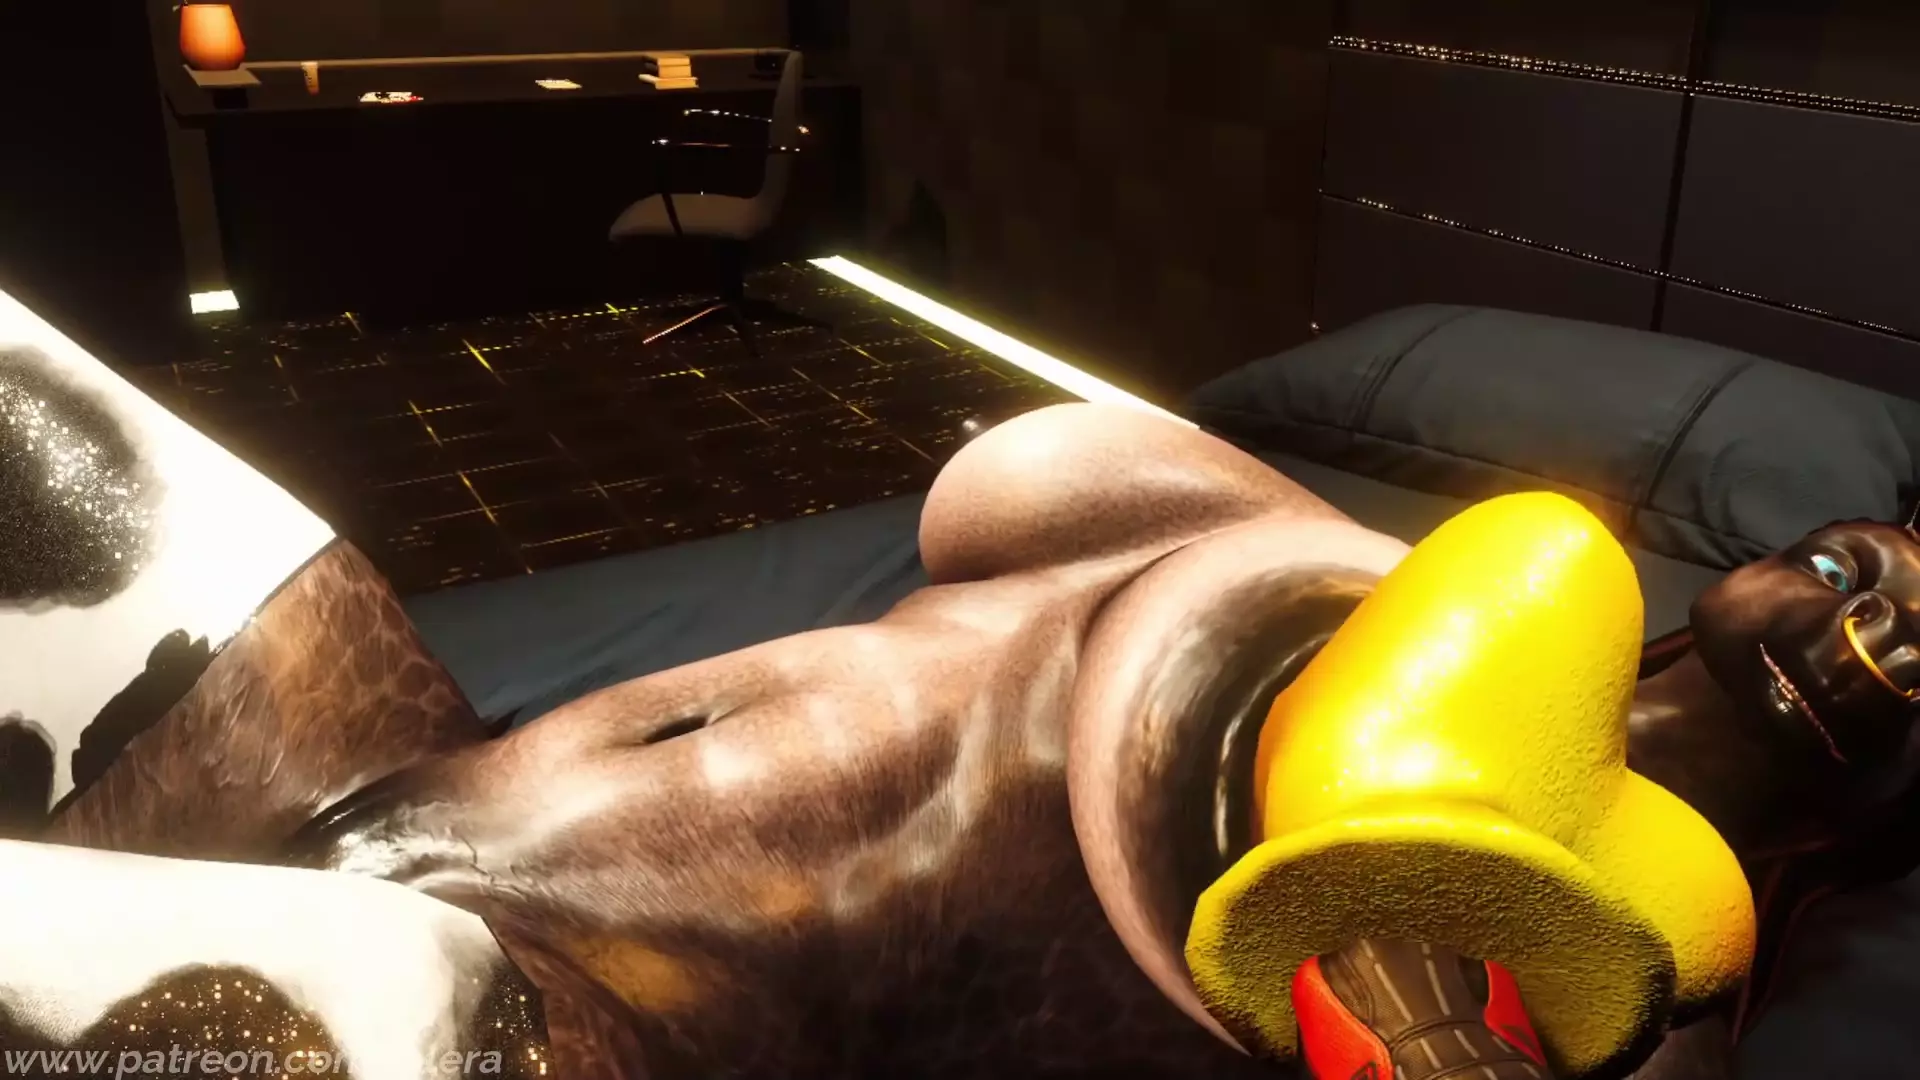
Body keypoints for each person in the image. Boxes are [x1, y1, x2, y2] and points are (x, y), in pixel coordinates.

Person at [10, 404, 1919, 1079]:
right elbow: (994, 498)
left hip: (555, 1023)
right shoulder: (1374, 564)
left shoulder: (1621, 972)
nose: (1887, 621)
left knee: (291, 999)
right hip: (387, 782)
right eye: (1869, 564)